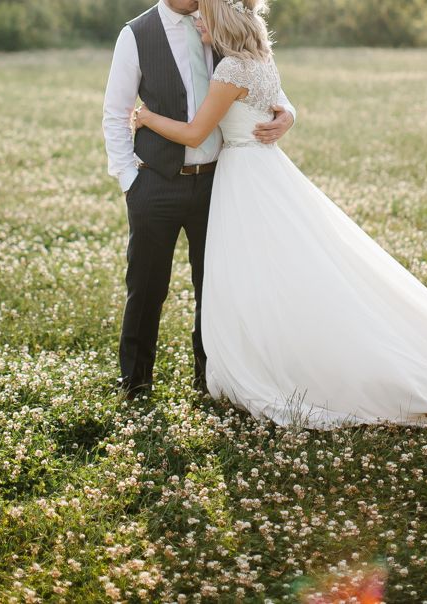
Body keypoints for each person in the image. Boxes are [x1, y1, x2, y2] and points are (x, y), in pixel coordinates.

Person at [134, 0, 427, 429]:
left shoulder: (229, 70)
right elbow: (273, 101)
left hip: (244, 175)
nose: (198, 17)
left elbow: (196, 131)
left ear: (221, 18)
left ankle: (272, 363)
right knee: (282, 269)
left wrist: (146, 117)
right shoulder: (259, 58)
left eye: (205, 13)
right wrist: (287, 113)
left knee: (253, 272)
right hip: (266, 170)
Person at [102, 0, 297, 399]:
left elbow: (263, 79)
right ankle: (135, 383)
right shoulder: (136, 35)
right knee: (147, 286)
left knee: (215, 285)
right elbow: (115, 112)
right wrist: (129, 179)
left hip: (218, 181)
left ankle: (210, 380)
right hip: (155, 183)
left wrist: (288, 112)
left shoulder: (219, 24)